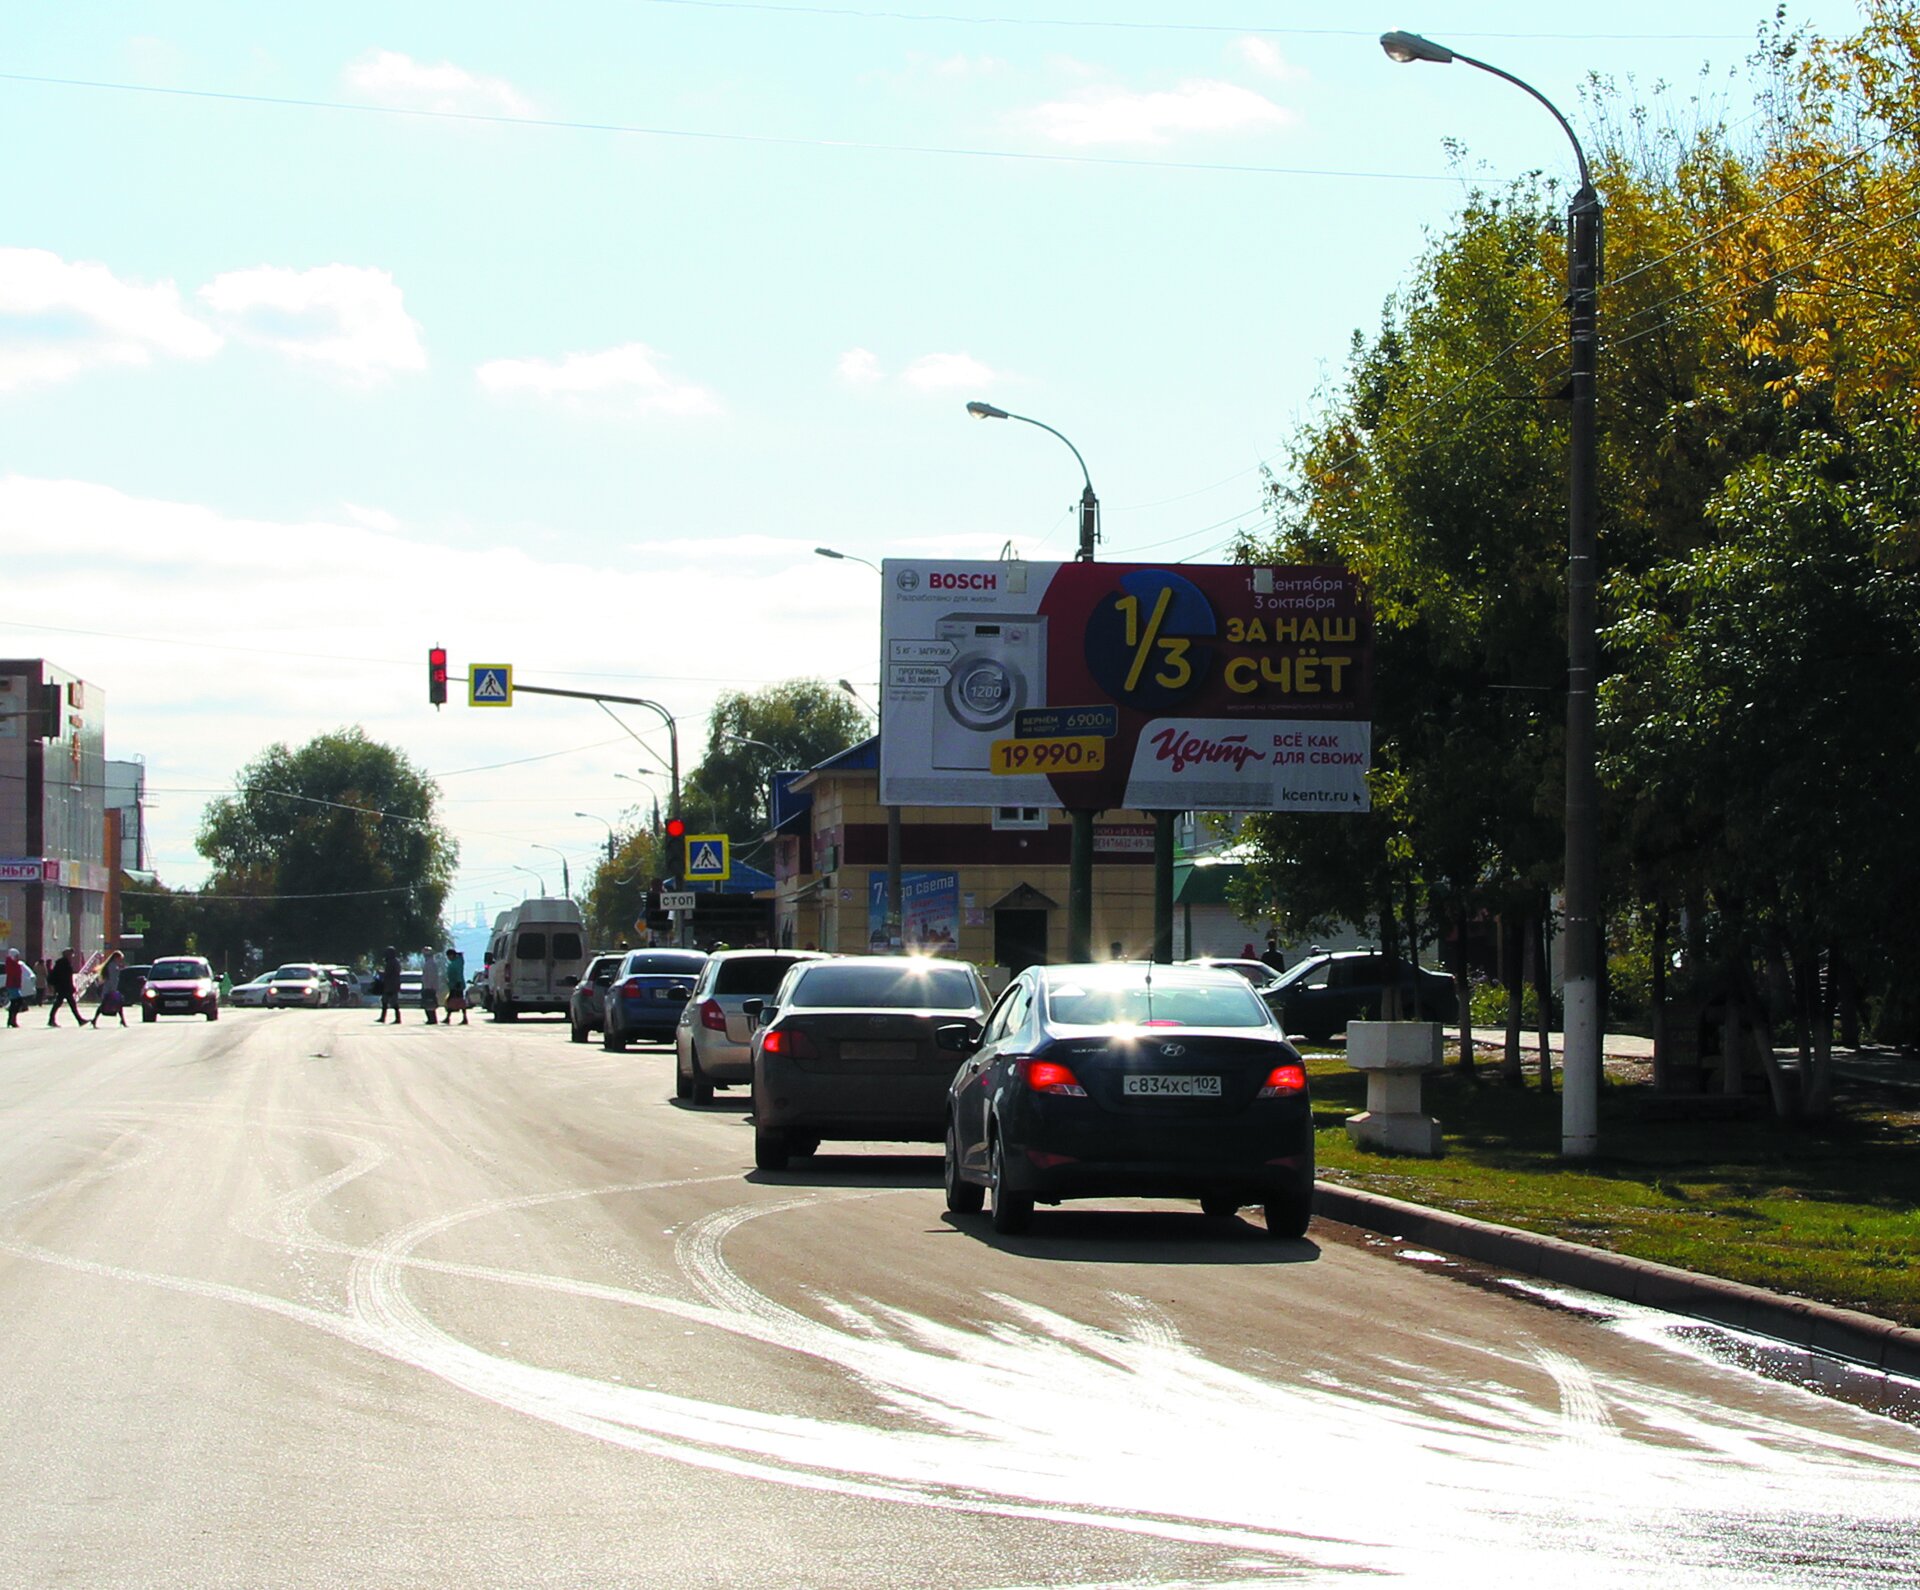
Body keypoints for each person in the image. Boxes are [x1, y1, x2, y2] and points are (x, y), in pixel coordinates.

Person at [47, 948, 84, 1027]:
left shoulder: (65, 963)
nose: (72, 956)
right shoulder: (63, 963)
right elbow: (64, 977)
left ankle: (79, 1020)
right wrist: (70, 987)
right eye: (71, 955)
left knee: (61, 1004)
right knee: (67, 1004)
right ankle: (79, 1020)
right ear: (67, 955)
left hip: (64, 987)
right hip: (64, 988)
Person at [91, 949, 128, 1027]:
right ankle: (94, 1020)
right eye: (120, 958)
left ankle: (122, 1020)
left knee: (118, 1005)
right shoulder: (112, 966)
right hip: (109, 989)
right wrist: (113, 991)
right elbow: (112, 979)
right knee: (104, 1006)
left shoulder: (113, 965)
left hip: (111, 989)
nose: (120, 960)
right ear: (116, 958)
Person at [378, 945, 403, 1023]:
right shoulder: (394, 962)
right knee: (385, 1001)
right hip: (392, 985)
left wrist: (381, 973)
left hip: (391, 985)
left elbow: (388, 973)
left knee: (392, 1002)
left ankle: (397, 1018)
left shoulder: (391, 962)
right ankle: (383, 1018)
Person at [443, 944, 467, 1026]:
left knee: (454, 1001)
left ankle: (450, 1017)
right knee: (455, 1001)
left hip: (457, 985)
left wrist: (458, 982)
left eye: (449, 956)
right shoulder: (455, 962)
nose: (448, 958)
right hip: (453, 984)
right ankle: (450, 1017)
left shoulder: (457, 963)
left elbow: (459, 973)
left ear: (452, 955)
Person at [420, 944, 443, 1025]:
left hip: (429, 987)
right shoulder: (429, 963)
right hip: (429, 986)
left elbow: (431, 976)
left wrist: (428, 987)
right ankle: (431, 1018)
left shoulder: (430, 964)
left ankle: (432, 1019)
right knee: (429, 1003)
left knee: (429, 1003)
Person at [5, 949, 24, 1027]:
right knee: (18, 1001)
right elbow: (14, 974)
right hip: (12, 985)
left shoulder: (14, 963)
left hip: (14, 985)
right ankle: (12, 1019)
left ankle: (11, 1020)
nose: (17, 958)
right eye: (16, 956)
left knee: (14, 1003)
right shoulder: (11, 964)